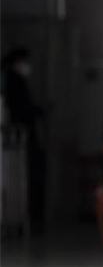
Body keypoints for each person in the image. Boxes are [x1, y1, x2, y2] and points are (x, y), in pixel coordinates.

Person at [1, 47, 46, 231]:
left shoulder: (14, 80)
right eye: (24, 62)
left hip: (23, 135)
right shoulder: (13, 81)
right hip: (21, 136)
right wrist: (38, 111)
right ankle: (30, 217)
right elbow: (22, 108)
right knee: (28, 175)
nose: (27, 66)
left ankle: (30, 217)